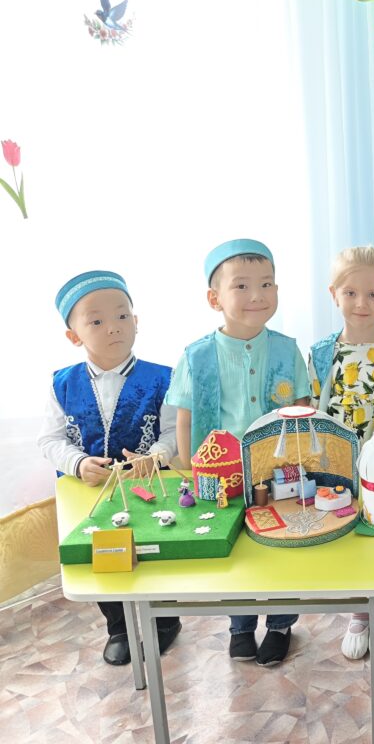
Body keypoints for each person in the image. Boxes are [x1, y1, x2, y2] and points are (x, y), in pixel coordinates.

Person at [165, 239, 310, 667]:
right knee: (234, 547)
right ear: (215, 299)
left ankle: (280, 624)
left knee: (281, 544)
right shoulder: (196, 355)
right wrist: (190, 467)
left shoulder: (286, 348)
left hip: (278, 469)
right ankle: (241, 625)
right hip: (220, 473)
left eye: (266, 284)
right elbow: (185, 418)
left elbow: (302, 405)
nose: (256, 295)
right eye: (242, 286)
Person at [38, 271, 181, 666]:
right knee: (101, 555)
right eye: (97, 321)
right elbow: (49, 440)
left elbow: (173, 432)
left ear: (136, 321)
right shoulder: (61, 383)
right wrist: (78, 462)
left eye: (121, 316)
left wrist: (155, 457)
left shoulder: (163, 377)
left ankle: (165, 622)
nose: (113, 327)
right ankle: (118, 626)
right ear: (74, 336)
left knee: (156, 548)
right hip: (90, 493)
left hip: (148, 487)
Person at [307, 245, 374, 661]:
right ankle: (358, 611)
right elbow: (313, 411)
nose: (361, 303)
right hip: (337, 464)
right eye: (350, 293)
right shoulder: (321, 353)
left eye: (373, 294)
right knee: (349, 535)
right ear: (333, 294)